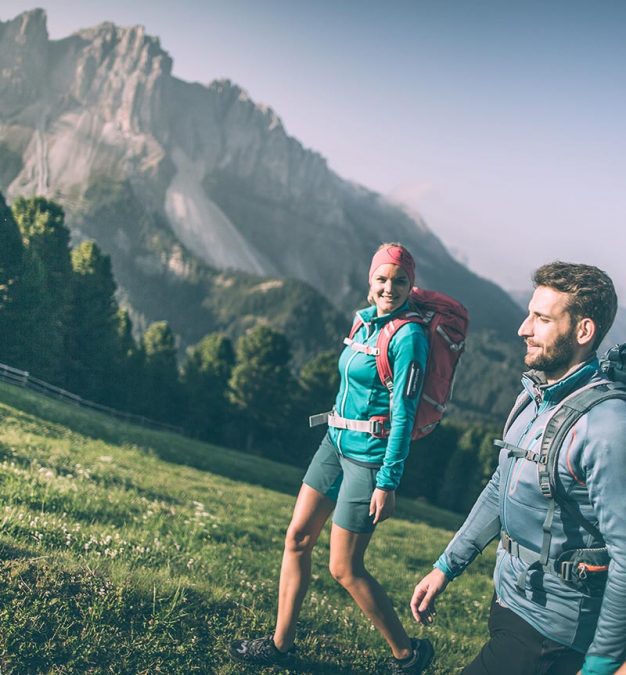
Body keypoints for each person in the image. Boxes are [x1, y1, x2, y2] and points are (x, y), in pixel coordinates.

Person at [410, 261, 626, 675]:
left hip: (553, 635)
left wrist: (601, 664)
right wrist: (445, 567)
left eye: (541, 318)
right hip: (512, 601)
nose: (523, 329)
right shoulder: (534, 397)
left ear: (583, 331)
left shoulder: (606, 427)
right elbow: (499, 486)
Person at [229, 243, 433, 673]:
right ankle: (281, 645)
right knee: (297, 538)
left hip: (369, 460)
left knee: (343, 567)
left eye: (399, 281)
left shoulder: (409, 336)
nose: (389, 288)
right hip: (334, 444)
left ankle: (408, 655)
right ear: (370, 280)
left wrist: (388, 481)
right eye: (382, 278)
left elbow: (403, 415)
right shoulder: (363, 321)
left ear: (411, 285)